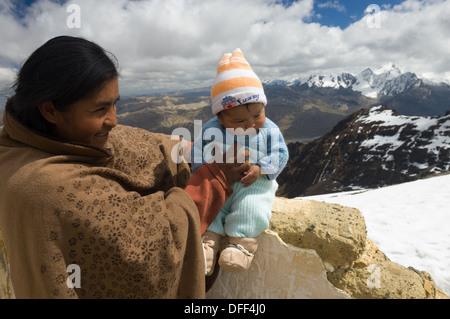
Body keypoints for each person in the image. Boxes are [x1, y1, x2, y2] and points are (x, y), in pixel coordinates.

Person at [0, 36, 250, 299]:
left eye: (114, 104)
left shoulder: (31, 139)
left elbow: (141, 143)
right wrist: (213, 178)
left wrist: (196, 151)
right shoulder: (48, 186)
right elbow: (150, 251)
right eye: (100, 109)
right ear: (50, 110)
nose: (113, 121)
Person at [192, 49, 288, 275]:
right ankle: (208, 242)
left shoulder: (270, 130)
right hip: (219, 182)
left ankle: (240, 245)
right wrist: (203, 171)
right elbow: (197, 151)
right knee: (211, 205)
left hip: (253, 185)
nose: (251, 124)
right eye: (239, 120)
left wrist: (261, 168)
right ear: (221, 117)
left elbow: (280, 154)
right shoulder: (211, 130)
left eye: (257, 115)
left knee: (252, 207)